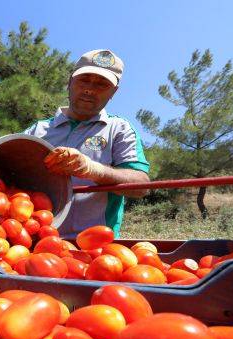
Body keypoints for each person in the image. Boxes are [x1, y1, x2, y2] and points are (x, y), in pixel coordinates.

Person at [24, 49, 150, 238]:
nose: (90, 89)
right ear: (70, 82)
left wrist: (92, 169)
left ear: (113, 92)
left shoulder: (119, 129)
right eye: (84, 80)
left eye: (102, 84)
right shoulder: (37, 131)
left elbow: (141, 186)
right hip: (34, 243)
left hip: (93, 248)